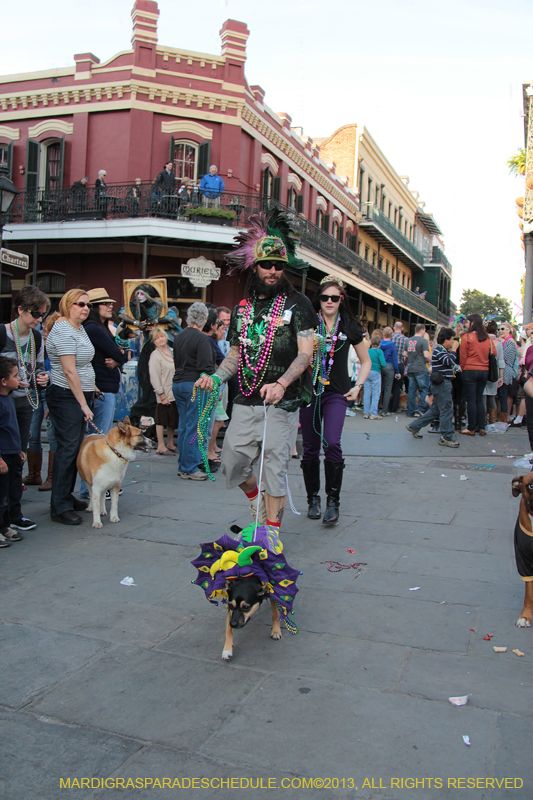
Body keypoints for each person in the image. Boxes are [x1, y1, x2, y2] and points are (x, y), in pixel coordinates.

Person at [196, 210, 317, 529]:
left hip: (283, 402)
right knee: (232, 463)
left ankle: (271, 537)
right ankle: (256, 503)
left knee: (274, 467)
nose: (274, 270)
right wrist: (216, 377)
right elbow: (235, 355)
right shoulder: (242, 309)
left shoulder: (298, 304)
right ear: (255, 266)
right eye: (267, 264)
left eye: (279, 265)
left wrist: (282, 383)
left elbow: (305, 353)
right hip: (246, 400)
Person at [299, 276, 370, 524]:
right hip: (310, 393)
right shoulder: (308, 325)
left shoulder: (350, 326)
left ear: (341, 300)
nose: (329, 301)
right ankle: (313, 499)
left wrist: (358, 385)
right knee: (309, 447)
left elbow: (366, 361)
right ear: (318, 300)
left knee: (331, 441)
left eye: (334, 298)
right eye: (324, 297)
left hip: (337, 394)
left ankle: (332, 501)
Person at [1, 285, 51, 530]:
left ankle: (14, 513)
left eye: (42, 315)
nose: (39, 319)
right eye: (35, 314)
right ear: (20, 310)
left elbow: (39, 367)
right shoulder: (2, 333)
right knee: (4, 457)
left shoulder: (37, 337)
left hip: (24, 402)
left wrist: (42, 378)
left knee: (18, 456)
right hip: (4, 401)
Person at [45, 289, 95, 525]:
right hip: (66, 396)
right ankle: (59, 506)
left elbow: (82, 364)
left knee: (74, 448)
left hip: (78, 393)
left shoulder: (78, 327)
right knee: (67, 449)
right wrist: (84, 405)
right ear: (67, 305)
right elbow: (69, 370)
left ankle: (65, 495)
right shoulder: (64, 330)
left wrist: (92, 387)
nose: (85, 308)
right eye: (80, 304)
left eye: (88, 305)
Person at [78, 288, 129, 499]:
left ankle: (92, 487)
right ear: (94, 307)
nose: (110, 306)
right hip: (101, 389)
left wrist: (119, 358)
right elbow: (120, 353)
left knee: (95, 438)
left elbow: (120, 354)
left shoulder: (102, 328)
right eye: (105, 303)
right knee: (99, 440)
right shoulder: (94, 328)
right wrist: (120, 357)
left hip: (103, 387)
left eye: (111, 303)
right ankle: (92, 487)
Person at [173, 302, 215, 480]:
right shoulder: (202, 339)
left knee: (184, 426)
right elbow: (206, 368)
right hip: (195, 385)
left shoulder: (179, 336)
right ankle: (189, 467)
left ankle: (184, 465)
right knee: (195, 427)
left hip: (179, 383)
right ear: (205, 319)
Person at [406, 327, 460, 447]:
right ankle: (447, 437)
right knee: (446, 410)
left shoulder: (440, 350)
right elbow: (449, 361)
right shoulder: (440, 351)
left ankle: (414, 426)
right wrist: (454, 350)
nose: (453, 342)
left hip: (440, 384)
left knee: (435, 410)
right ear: (446, 340)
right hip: (442, 384)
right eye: (452, 339)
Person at [0, 357, 27, 546]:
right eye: (15, 376)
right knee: (0, 495)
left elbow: (11, 428)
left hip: (11, 453)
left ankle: (5, 526)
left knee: (8, 493)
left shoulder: (8, 399)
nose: (19, 379)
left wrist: (17, 450)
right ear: (3, 381)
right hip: (2, 456)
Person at [459, 313, 491, 435]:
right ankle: (481, 426)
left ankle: (471, 427)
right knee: (479, 399)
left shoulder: (467, 337)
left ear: (472, 323)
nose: (465, 324)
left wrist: (462, 368)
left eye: (467, 322)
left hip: (469, 370)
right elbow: (493, 354)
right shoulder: (487, 338)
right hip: (484, 370)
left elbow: (463, 355)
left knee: (470, 400)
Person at [148, 327, 178, 456]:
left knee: (172, 419)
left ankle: (170, 443)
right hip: (164, 392)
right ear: (154, 341)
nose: (160, 339)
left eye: (162, 336)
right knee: (161, 419)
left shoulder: (171, 351)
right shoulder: (155, 355)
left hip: (174, 391)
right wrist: (161, 394)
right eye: (157, 338)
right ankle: (161, 445)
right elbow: (154, 376)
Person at [404, 323, 431, 418]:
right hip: (421, 368)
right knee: (424, 389)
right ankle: (421, 409)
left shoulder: (408, 340)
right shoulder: (423, 341)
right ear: (422, 330)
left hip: (411, 368)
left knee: (411, 390)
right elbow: (426, 355)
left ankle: (410, 411)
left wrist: (413, 357)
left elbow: (405, 354)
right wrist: (432, 361)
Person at [497, 321, 519, 423]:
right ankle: (502, 418)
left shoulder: (510, 342)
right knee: (502, 395)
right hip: (504, 370)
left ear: (508, 330)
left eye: (502, 329)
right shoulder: (506, 341)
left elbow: (506, 359)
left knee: (503, 395)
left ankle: (503, 420)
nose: (500, 331)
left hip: (505, 371)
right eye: (499, 329)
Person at [484, 320, 504, 425]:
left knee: (483, 395)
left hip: (483, 370)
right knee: (491, 396)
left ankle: (482, 422)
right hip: (494, 373)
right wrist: (501, 376)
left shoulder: (482, 341)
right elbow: (501, 361)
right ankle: (492, 421)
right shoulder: (499, 344)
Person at [364, 335, 387, 419]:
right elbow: (383, 363)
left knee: (367, 392)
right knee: (376, 393)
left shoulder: (368, 351)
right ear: (379, 344)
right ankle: (373, 413)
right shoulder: (379, 351)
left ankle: (366, 412)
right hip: (376, 372)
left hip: (367, 372)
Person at [379, 326, 400, 415]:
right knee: (388, 389)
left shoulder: (379, 343)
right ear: (391, 334)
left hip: (380, 366)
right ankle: (384, 410)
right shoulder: (392, 345)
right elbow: (395, 359)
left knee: (379, 388)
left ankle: (376, 407)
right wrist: (397, 371)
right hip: (389, 366)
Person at [391, 320, 408, 413]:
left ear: (394, 328)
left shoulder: (390, 338)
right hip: (400, 363)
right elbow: (406, 354)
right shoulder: (405, 339)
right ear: (402, 329)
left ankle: (387, 406)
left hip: (390, 363)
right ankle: (394, 408)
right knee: (398, 386)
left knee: (389, 386)